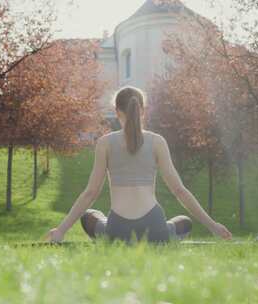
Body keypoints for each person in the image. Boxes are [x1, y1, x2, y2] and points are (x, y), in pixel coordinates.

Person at [44, 86, 232, 244]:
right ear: (143, 111)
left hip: (118, 231)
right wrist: (213, 226)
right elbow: (180, 191)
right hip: (155, 229)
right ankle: (162, 236)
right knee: (184, 222)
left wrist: (60, 230)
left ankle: (110, 235)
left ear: (117, 112)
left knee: (89, 216)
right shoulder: (157, 141)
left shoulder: (105, 143)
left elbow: (90, 193)